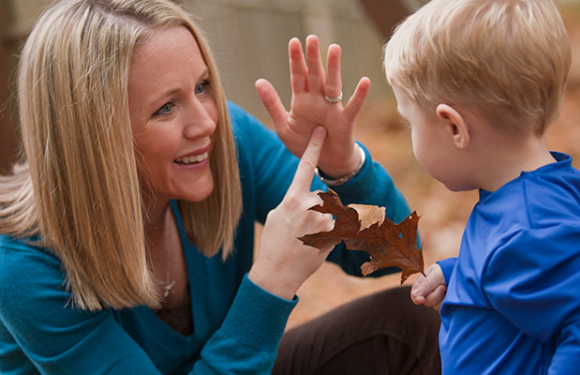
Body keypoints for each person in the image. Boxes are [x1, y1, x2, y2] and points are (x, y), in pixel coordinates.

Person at [0, 0, 441, 374]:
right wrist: (269, 285)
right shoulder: (24, 268)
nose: (207, 122)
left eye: (203, 86)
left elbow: (394, 258)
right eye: (166, 107)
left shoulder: (226, 144)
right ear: (92, 137)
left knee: (408, 326)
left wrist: (342, 165)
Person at [383, 0, 580, 373]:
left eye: (410, 123)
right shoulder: (534, 201)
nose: (411, 134)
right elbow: (528, 272)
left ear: (454, 127)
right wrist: (461, 276)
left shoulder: (530, 227)